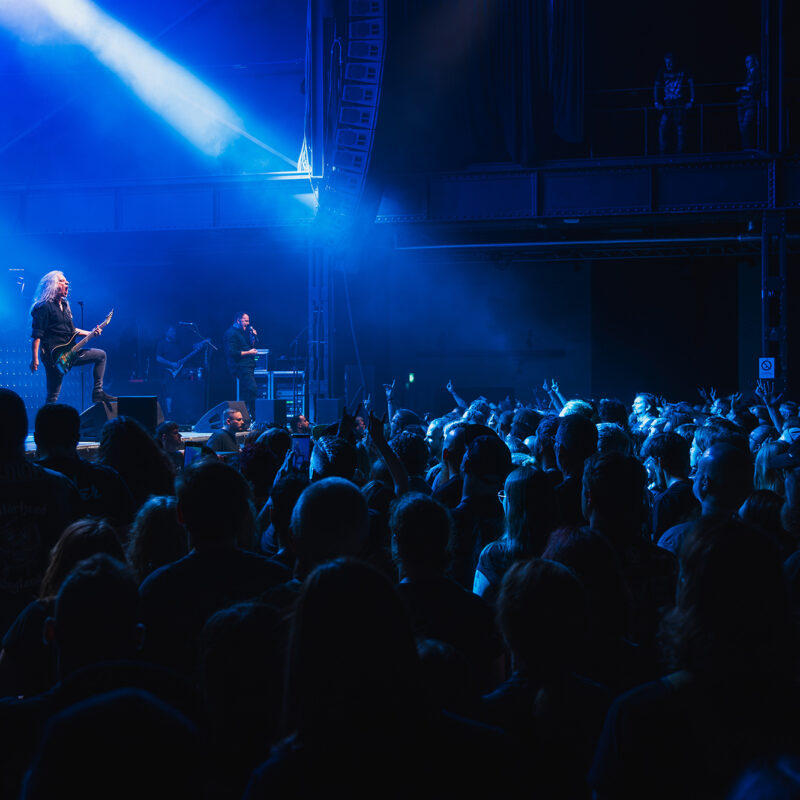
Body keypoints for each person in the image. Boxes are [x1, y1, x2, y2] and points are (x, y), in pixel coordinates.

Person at [29, 270, 115, 404]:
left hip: (71, 352)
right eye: (62, 281)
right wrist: (35, 359)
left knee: (101, 355)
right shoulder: (44, 307)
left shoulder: (64, 305)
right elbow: (37, 335)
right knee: (53, 396)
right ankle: (46, 417)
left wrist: (91, 332)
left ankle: (98, 392)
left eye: (66, 281)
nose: (67, 283)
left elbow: (72, 330)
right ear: (51, 285)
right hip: (54, 357)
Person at [654, 53, 694, 155]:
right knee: (663, 126)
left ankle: (680, 152)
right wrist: (656, 101)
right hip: (667, 103)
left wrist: (691, 100)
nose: (668, 65)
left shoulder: (682, 69)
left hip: (679, 102)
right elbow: (656, 85)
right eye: (667, 63)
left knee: (680, 127)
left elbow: (691, 82)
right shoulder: (662, 71)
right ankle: (663, 152)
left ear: (674, 62)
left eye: (670, 63)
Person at [223, 312, 259, 421]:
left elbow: (249, 346)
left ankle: (246, 418)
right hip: (240, 366)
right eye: (246, 321)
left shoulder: (242, 332)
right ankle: (255, 418)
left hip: (247, 365)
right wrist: (249, 352)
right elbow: (232, 352)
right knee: (252, 389)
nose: (248, 323)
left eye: (248, 321)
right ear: (238, 320)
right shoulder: (231, 333)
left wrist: (253, 337)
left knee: (247, 392)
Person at [736, 54, 761, 150]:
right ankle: (745, 148)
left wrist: (744, 88)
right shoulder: (748, 74)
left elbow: (754, 88)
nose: (746, 63)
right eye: (746, 61)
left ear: (753, 62)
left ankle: (748, 148)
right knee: (742, 126)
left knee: (746, 125)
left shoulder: (757, 73)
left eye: (748, 61)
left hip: (750, 102)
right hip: (743, 102)